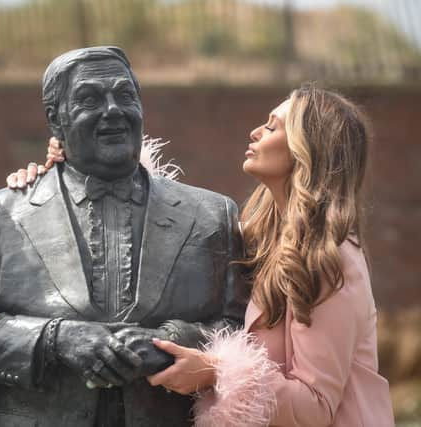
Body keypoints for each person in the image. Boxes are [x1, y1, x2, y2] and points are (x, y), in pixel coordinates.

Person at [0, 46, 248, 427]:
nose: (112, 109)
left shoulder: (212, 215)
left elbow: (244, 330)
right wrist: (55, 340)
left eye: (125, 95)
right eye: (89, 99)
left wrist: (171, 341)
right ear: (56, 121)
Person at [140, 86, 394, 426]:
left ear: (307, 150)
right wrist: (78, 167)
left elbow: (314, 407)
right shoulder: (259, 235)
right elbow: (183, 237)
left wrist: (216, 372)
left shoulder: (330, 257)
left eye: (272, 127)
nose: (255, 132)